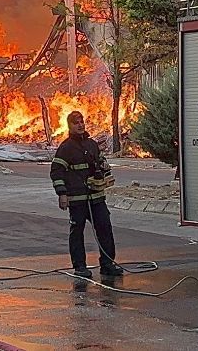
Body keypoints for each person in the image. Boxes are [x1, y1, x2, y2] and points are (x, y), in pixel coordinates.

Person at [50, 111, 123, 279]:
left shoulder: (92, 144)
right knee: (77, 232)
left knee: (105, 228)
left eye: (82, 122)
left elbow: (101, 162)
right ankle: (80, 267)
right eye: (76, 123)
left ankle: (107, 264)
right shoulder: (66, 148)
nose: (80, 125)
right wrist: (62, 194)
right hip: (77, 199)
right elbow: (56, 172)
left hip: (96, 197)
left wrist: (104, 169)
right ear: (69, 126)